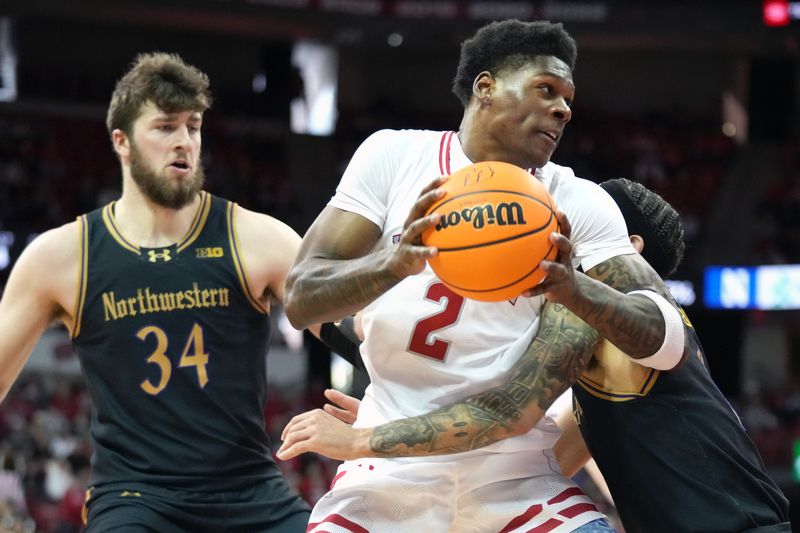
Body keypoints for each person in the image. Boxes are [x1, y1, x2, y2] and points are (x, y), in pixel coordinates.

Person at [283, 18, 688, 532]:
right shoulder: (394, 155)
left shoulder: (579, 202)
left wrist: (576, 287)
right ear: (485, 87)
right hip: (384, 474)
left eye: (568, 98)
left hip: (515, 476)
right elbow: (300, 299)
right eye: (547, 89)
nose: (564, 109)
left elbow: (667, 340)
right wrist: (394, 263)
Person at [281, 178, 791, 532]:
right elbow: (510, 455)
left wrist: (364, 437)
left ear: (626, 246)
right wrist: (397, 403)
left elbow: (503, 415)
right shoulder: (595, 370)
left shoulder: (623, 318)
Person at [0, 52, 313, 532]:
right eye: (165, 127)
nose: (184, 142)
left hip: (251, 492)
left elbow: (355, 335)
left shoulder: (259, 237)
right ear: (121, 142)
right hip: (135, 498)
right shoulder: (62, 256)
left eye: (193, 126)